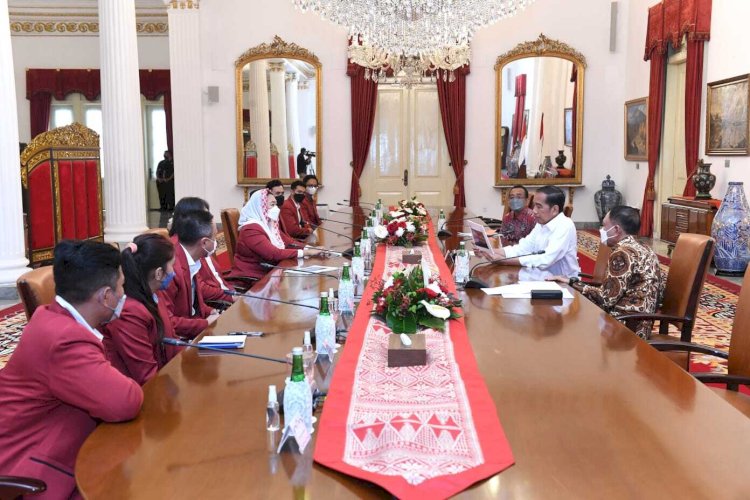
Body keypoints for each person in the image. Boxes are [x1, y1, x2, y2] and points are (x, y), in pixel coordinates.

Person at [0, 240, 143, 499]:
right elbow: (125, 401)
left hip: (63, 441)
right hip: (34, 467)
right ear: (106, 296)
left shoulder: (54, 316)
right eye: (122, 286)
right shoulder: (64, 339)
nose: (124, 294)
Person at [549, 206, 664, 339]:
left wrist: (573, 283)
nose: (601, 230)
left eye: (604, 226)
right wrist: (572, 282)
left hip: (625, 326)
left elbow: (606, 299)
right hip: (641, 321)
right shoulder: (645, 248)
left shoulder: (622, 254)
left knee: (567, 324)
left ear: (616, 230)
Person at [102, 234, 182, 385]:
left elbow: (170, 338)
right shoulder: (129, 312)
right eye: (172, 265)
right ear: (159, 273)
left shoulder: (154, 293)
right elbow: (147, 377)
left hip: (168, 377)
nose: (174, 271)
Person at [477, 185, 579, 278]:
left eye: (539, 207)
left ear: (554, 210)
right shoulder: (541, 223)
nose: (534, 210)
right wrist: (490, 251)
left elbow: (546, 260)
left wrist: (502, 261)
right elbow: (523, 248)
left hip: (563, 284)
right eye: (534, 205)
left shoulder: (565, 225)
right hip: (539, 276)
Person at [230, 188, 319, 280]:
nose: (276, 208)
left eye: (275, 204)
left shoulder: (268, 224)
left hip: (271, 272)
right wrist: (306, 252)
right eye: (272, 205)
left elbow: (288, 242)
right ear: (260, 207)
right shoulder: (251, 229)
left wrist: (311, 248)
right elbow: (273, 254)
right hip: (254, 277)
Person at [159, 209, 221, 338]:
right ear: (204, 242)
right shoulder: (172, 270)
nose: (216, 243)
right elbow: (168, 322)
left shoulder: (192, 260)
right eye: (214, 238)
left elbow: (194, 304)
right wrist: (204, 323)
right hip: (179, 341)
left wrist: (212, 311)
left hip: (193, 330)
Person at [170, 197, 235, 303]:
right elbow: (199, 288)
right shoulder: (189, 247)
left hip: (221, 296)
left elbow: (217, 277)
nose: (208, 219)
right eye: (203, 216)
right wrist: (230, 297)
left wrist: (233, 292)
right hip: (215, 302)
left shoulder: (199, 244)